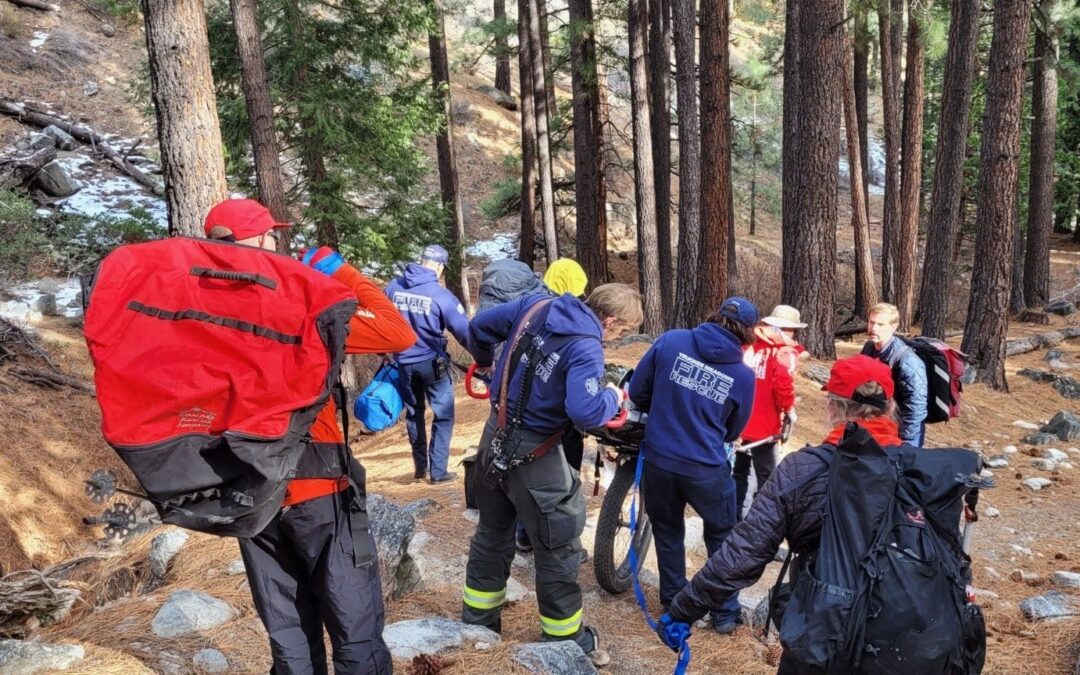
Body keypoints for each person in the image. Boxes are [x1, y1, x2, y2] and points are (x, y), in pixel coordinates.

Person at [204, 199, 417, 675]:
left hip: (250, 494)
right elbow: (397, 332)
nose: (275, 241)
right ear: (257, 243)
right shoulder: (299, 310)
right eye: (269, 235)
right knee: (354, 628)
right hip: (318, 488)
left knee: (290, 639)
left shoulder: (197, 317)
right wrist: (344, 275)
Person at [654, 356, 904, 672]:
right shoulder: (919, 471)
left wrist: (682, 610)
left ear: (832, 408)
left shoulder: (803, 470)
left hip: (822, 635)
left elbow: (743, 553)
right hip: (903, 637)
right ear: (891, 407)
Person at [461, 283, 644, 664]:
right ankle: (564, 637)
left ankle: (477, 622)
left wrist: (487, 361)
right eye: (621, 332)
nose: (615, 339)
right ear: (609, 320)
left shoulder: (536, 305)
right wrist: (613, 395)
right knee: (558, 543)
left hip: (493, 436)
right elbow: (586, 412)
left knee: (492, 532)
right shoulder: (586, 346)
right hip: (535, 455)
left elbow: (479, 328)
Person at [627, 297, 758, 634]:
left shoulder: (672, 341)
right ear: (747, 334)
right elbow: (733, 430)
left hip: (660, 461)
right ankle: (725, 612)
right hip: (706, 470)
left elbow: (639, 391)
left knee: (668, 530)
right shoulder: (743, 375)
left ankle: (674, 601)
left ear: (714, 316)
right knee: (723, 537)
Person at [385, 244, 470, 483]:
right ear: (440, 266)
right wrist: (483, 360)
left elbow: (381, 318)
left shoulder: (394, 287)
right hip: (432, 365)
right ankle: (439, 472)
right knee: (443, 415)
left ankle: (420, 468)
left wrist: (383, 350)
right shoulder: (441, 296)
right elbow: (465, 332)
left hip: (403, 363)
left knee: (414, 414)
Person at [735, 312, 798, 520]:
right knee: (767, 479)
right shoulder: (784, 352)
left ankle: (735, 517)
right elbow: (782, 383)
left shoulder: (749, 344)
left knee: (739, 472)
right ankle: (758, 523)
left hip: (739, 421)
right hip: (765, 425)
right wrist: (789, 409)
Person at [861, 302, 927, 446]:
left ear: (893, 326)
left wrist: (907, 443)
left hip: (904, 430)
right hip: (879, 424)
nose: (873, 328)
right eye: (871, 322)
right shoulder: (868, 348)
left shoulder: (908, 360)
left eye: (880, 324)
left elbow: (916, 405)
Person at [759, 304, 809, 376]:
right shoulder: (760, 340)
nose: (782, 332)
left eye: (788, 329)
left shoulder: (789, 344)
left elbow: (804, 354)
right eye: (779, 328)